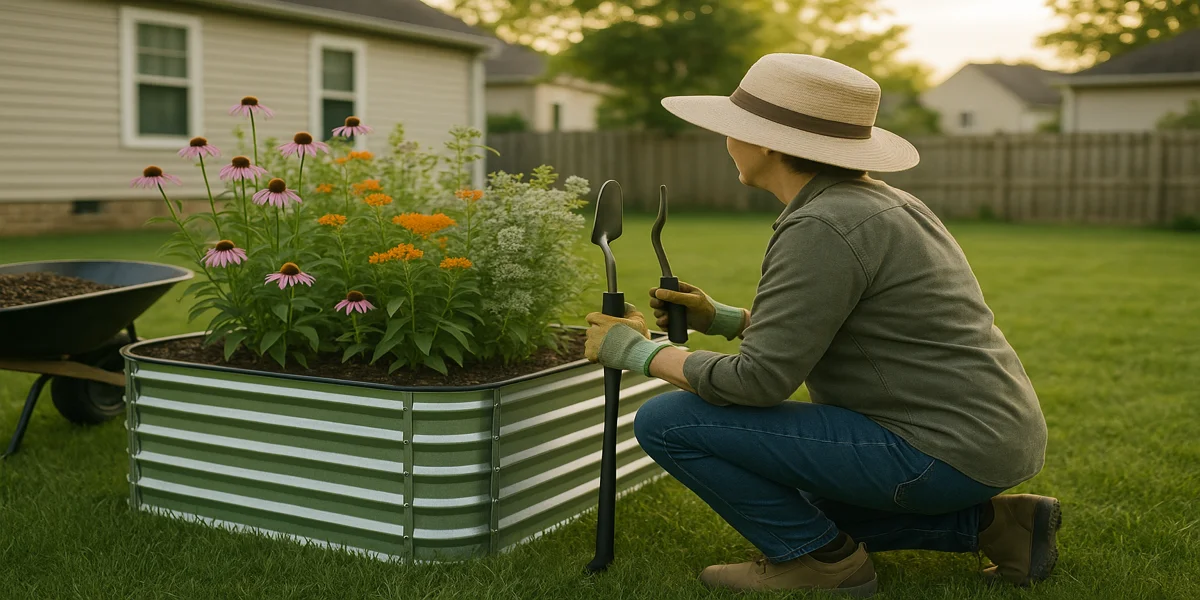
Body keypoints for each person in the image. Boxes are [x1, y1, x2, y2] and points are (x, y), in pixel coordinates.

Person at [583, 54, 1057, 597]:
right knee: (806, 502)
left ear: (765, 142)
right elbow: (851, 324)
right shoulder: (881, 203)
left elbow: (756, 384)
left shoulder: (823, 224)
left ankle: (822, 563)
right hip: (985, 439)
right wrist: (727, 319)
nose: (726, 142)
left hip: (938, 450)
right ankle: (1003, 527)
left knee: (670, 420)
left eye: (733, 130)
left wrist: (637, 351)